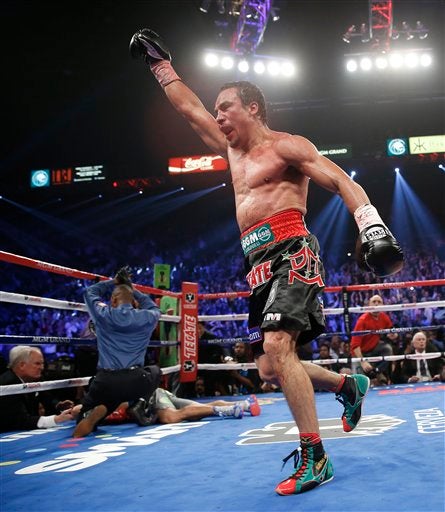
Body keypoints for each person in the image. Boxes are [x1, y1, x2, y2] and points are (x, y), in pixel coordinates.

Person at [129, 29, 404, 495]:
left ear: (253, 108)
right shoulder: (230, 151)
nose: (218, 116)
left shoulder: (286, 146)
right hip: (256, 262)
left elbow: (340, 181)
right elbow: (188, 108)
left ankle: (316, 457)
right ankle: (346, 386)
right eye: (217, 110)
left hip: (292, 251)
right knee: (271, 368)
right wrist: (161, 66)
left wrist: (371, 226)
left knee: (277, 345)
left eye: (226, 108)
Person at [73, 267, 161, 438]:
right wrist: (132, 289)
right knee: (155, 371)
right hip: (135, 381)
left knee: (90, 411)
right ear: (133, 300)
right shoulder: (147, 317)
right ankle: (139, 403)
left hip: (106, 380)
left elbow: (90, 292)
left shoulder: (103, 315)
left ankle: (94, 414)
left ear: (113, 300)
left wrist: (114, 282)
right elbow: (153, 307)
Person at [0, 346, 75, 433]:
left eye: (42, 363)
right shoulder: (7, 384)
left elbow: (46, 397)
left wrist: (58, 405)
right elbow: (20, 420)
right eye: (37, 364)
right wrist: (56, 419)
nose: (42, 367)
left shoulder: (34, 379)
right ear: (22, 365)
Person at [350, 294, 398, 385]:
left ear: (382, 305)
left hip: (374, 349)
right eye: (374, 302)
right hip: (359, 353)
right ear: (369, 304)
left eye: (379, 302)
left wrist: (393, 334)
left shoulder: (383, 317)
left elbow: (391, 329)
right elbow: (355, 345)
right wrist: (363, 361)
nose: (376, 304)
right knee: (360, 384)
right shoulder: (362, 320)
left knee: (387, 348)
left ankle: (376, 371)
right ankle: (375, 374)